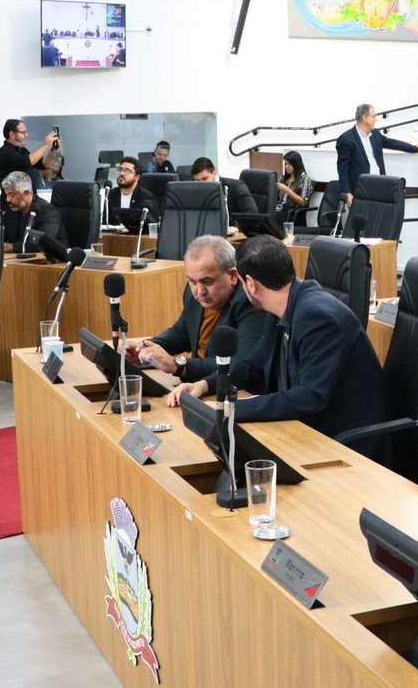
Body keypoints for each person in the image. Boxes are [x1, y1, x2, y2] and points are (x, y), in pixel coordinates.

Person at [169, 235, 390, 462]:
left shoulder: (317, 318)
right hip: (307, 429)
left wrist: (232, 409)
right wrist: (204, 385)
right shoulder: (282, 307)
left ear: (251, 284)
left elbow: (310, 397)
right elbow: (252, 365)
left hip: (346, 444)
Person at [127, 236, 270, 382]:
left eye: (207, 281)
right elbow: (182, 333)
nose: (199, 291)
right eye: (192, 281)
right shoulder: (193, 293)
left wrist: (179, 366)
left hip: (234, 388)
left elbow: (240, 365)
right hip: (197, 384)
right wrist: (147, 347)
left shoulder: (251, 302)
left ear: (233, 276)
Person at [334, 103, 418, 206]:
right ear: (365, 118)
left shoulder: (375, 134)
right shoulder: (346, 139)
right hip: (361, 189)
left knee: (381, 214)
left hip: (380, 184)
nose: (376, 119)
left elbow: (392, 143)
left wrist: (417, 148)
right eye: (374, 116)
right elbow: (342, 169)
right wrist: (347, 193)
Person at [0, 118, 57, 206]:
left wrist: (53, 151)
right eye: (23, 132)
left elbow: (43, 164)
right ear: (12, 134)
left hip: (29, 202)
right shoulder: (5, 152)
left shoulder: (22, 150)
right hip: (13, 204)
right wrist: (45, 145)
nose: (26, 135)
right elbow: (26, 162)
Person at [0, 170, 64, 250]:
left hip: (51, 257)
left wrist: (12, 247)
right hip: (19, 257)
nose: (8, 199)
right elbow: (1, 236)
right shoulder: (11, 210)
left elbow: (42, 243)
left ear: (26, 193)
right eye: (6, 195)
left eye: (12, 195)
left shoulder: (49, 212)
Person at [189, 157, 259, 216]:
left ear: (214, 173)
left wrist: (236, 225)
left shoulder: (236, 187)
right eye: (197, 180)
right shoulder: (195, 191)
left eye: (204, 179)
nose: (201, 183)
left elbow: (252, 213)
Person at [275, 151, 312, 224]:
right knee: (266, 215)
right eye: (286, 164)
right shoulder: (284, 178)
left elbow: (303, 203)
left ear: (296, 164)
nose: (287, 167)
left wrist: (287, 190)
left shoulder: (305, 179)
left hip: (294, 213)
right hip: (281, 209)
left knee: (272, 218)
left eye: (290, 164)